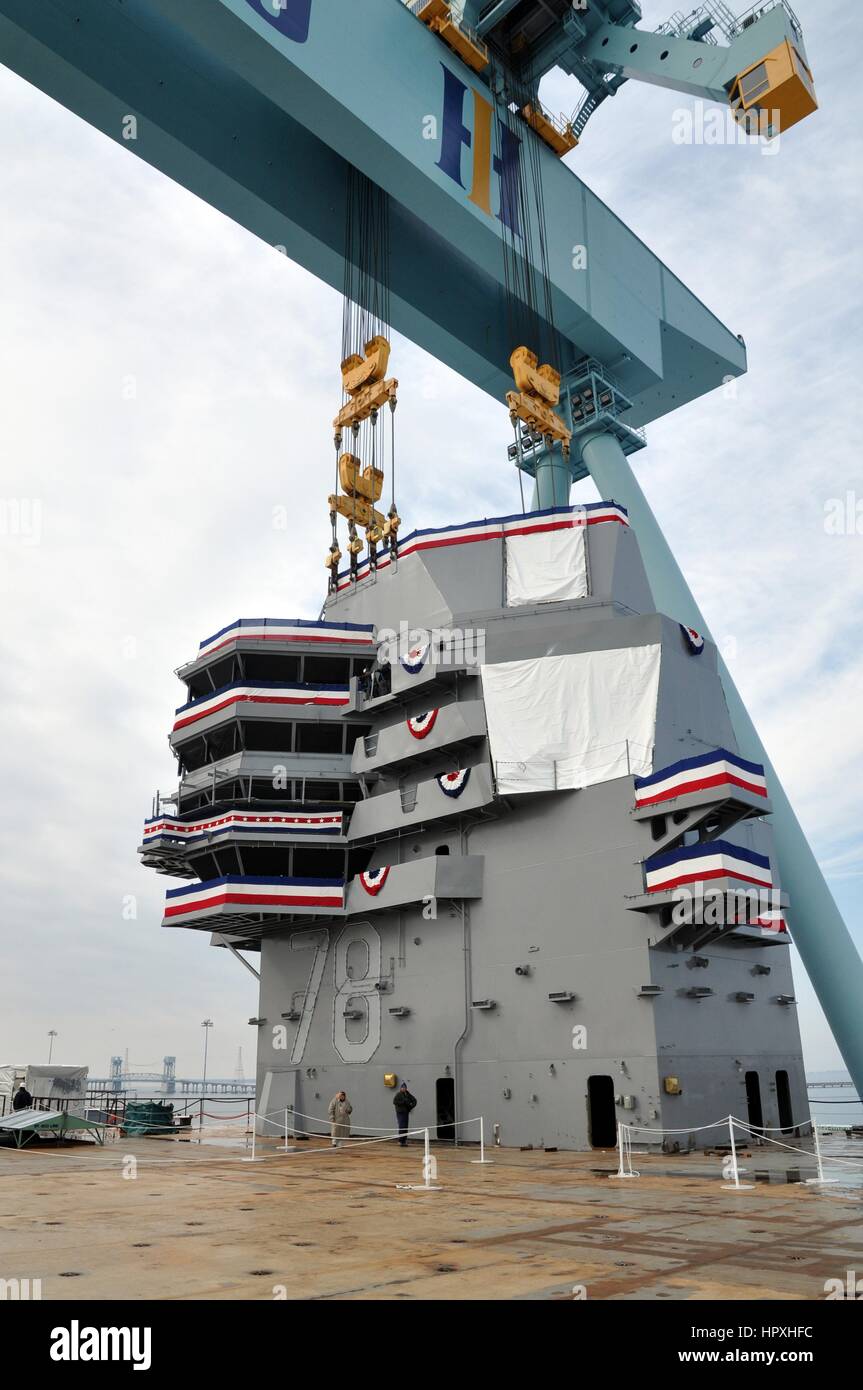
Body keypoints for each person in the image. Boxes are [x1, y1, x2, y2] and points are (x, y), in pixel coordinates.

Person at [392, 1081, 416, 1146]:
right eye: (402, 1087)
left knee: (405, 1127)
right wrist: (403, 1102)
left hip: (406, 1112)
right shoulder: (398, 1094)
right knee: (402, 1126)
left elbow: (414, 1100)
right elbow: (394, 1102)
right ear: (401, 1088)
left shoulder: (407, 1094)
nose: (403, 1088)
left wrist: (410, 1107)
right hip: (400, 1112)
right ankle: (400, 1140)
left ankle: (404, 1140)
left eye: (404, 1087)